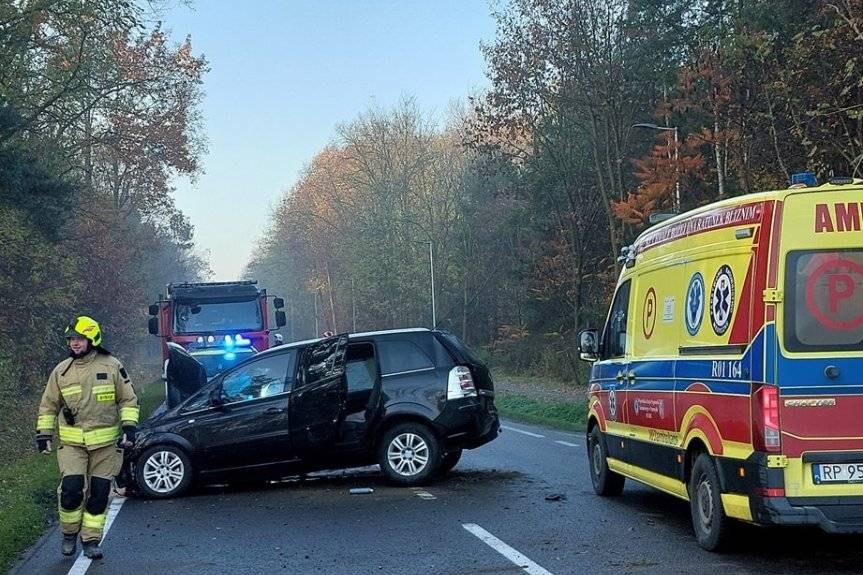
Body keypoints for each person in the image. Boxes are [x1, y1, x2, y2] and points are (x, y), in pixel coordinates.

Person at [35, 316, 139, 560]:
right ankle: (69, 533)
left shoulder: (112, 366)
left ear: (92, 338)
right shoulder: (61, 371)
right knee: (71, 490)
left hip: (106, 445)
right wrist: (44, 434)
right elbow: (48, 406)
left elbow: (128, 400)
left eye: (79, 339)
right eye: (71, 339)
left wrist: (129, 427)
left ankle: (91, 540)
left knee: (99, 493)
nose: (74, 343)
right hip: (73, 444)